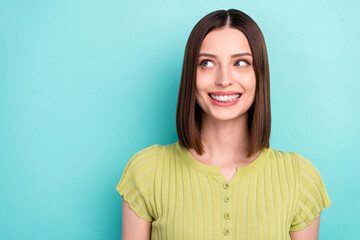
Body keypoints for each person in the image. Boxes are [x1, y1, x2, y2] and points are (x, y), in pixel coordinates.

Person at [115, 9, 331, 240]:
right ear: (191, 75)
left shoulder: (300, 178)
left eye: (241, 62)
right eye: (206, 63)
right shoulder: (147, 172)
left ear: (259, 75)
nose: (224, 79)